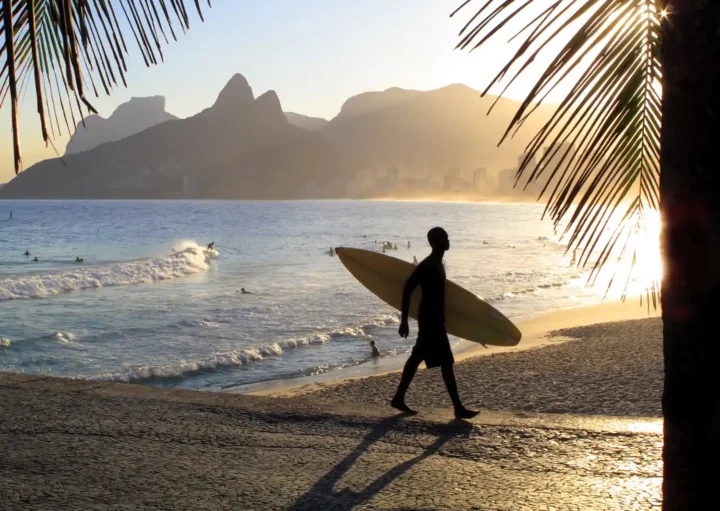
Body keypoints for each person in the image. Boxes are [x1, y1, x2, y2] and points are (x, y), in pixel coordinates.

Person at [392, 227, 477, 419]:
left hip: (436, 318)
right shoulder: (428, 265)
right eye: (445, 238)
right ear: (436, 242)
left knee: (418, 358)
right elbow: (407, 289)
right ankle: (458, 407)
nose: (449, 240)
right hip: (430, 320)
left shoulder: (439, 263)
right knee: (446, 361)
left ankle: (398, 397)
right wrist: (404, 321)